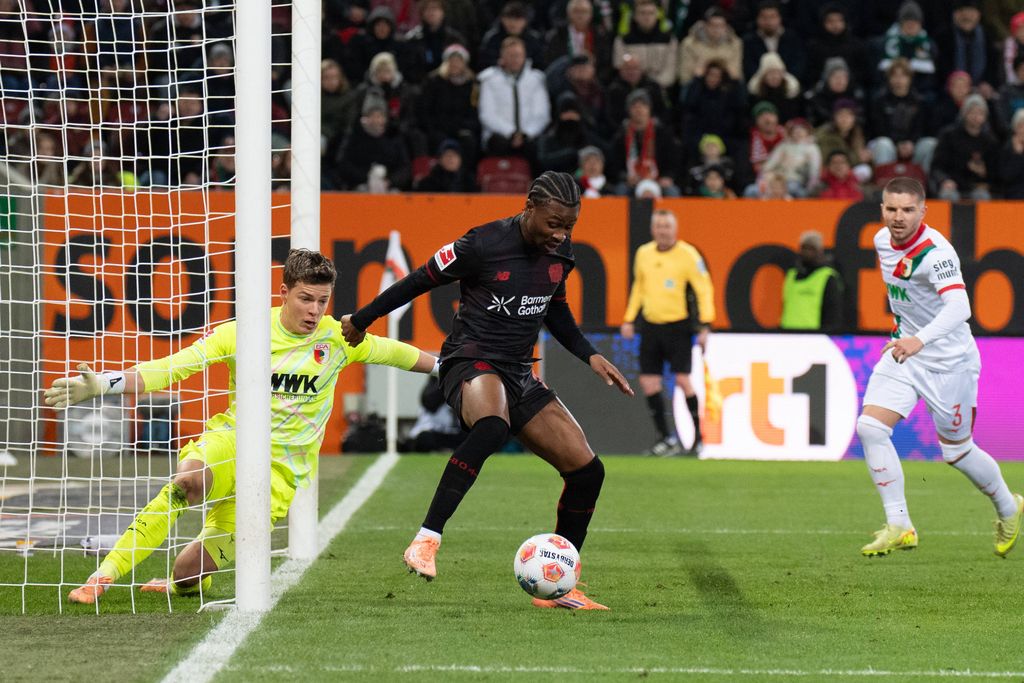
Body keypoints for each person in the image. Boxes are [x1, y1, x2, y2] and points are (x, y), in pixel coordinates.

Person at [46, 249, 439, 604]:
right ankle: (103, 576)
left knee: (187, 573)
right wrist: (104, 384)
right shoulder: (245, 332)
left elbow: (397, 353)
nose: (314, 311)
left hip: (280, 472)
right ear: (283, 292)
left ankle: (181, 583)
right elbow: (171, 368)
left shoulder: (337, 339)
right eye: (305, 298)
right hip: (234, 441)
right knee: (187, 483)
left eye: (322, 301)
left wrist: (452, 369)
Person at [341, 172, 633, 611]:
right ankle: (425, 540)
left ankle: (560, 585)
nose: (560, 233)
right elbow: (418, 279)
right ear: (529, 206)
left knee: (587, 471)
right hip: (469, 360)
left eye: (569, 225)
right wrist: (361, 320)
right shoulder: (482, 243)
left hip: (518, 371)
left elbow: (554, 310)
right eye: (553, 223)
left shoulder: (561, 252)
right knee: (493, 426)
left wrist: (588, 354)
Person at [856, 177, 1023, 558]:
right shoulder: (881, 240)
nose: (898, 217)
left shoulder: (937, 253)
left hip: (950, 363)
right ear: (882, 209)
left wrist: (920, 339)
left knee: (957, 452)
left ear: (923, 211)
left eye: (908, 210)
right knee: (870, 428)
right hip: (904, 353)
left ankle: (1008, 506)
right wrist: (910, 338)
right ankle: (900, 525)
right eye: (891, 209)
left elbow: (960, 308)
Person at [621, 209, 715, 457]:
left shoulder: (688, 255)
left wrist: (705, 325)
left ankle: (698, 438)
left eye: (667, 226)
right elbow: (639, 288)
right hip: (651, 326)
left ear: (675, 229)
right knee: (648, 382)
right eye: (659, 226)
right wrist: (629, 318)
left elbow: (704, 289)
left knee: (683, 380)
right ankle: (666, 438)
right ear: (653, 229)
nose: (663, 231)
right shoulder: (644, 253)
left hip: (678, 326)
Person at [780, 230, 845, 332]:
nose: (806, 252)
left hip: (812, 337)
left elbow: (833, 314)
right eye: (804, 248)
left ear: (820, 251)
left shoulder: (827, 277)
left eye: (811, 248)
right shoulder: (791, 275)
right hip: (787, 335)